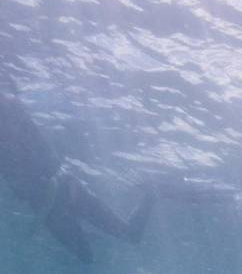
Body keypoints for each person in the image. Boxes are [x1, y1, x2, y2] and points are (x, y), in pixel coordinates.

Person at [0, 89, 153, 261]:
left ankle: (151, 194)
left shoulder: (12, 113)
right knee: (87, 256)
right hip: (45, 204)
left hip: (63, 186)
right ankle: (95, 234)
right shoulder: (12, 119)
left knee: (129, 236)